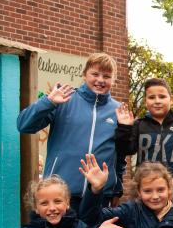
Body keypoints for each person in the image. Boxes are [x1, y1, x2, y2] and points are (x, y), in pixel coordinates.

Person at [17, 53, 122, 210]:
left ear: (113, 80)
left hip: (99, 195)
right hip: (61, 195)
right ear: (84, 74)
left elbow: (120, 154)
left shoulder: (118, 110)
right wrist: (48, 102)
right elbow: (24, 125)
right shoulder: (64, 98)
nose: (100, 80)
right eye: (95, 74)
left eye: (106, 76)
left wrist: (116, 189)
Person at [115, 78, 173, 193]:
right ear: (145, 101)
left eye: (162, 97)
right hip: (145, 190)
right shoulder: (139, 125)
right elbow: (125, 150)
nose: (157, 101)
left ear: (171, 99)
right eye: (151, 97)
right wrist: (124, 128)